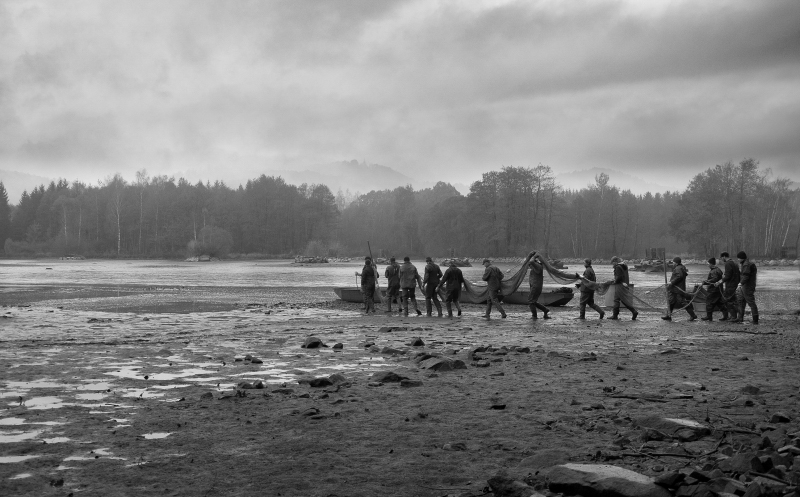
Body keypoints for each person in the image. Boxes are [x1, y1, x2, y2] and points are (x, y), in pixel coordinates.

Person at [662, 256, 697, 321]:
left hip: (677, 289)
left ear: (676, 262)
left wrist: (672, 282)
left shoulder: (678, 268)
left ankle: (693, 315)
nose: (673, 263)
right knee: (671, 301)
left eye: (673, 262)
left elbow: (679, 276)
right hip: (676, 288)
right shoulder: (682, 267)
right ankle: (668, 315)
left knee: (682, 302)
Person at [608, 256, 638, 320]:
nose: (612, 264)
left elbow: (619, 277)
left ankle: (633, 311)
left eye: (612, 263)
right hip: (625, 284)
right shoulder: (624, 265)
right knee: (618, 299)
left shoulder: (618, 267)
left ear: (615, 261)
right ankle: (615, 315)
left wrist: (615, 281)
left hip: (620, 285)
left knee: (621, 300)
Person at [714, 251, 740, 322]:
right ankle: (735, 316)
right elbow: (738, 274)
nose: (721, 260)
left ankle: (733, 316)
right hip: (735, 285)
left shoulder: (728, 264)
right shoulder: (735, 263)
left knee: (726, 300)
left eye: (721, 258)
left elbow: (727, 276)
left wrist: (719, 282)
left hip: (730, 285)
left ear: (724, 257)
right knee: (733, 300)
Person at [734, 251, 758, 324]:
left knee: (751, 302)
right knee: (741, 301)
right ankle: (740, 318)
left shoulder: (746, 265)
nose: (738, 259)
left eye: (738, 258)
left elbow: (745, 276)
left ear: (742, 258)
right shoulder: (746, 264)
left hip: (748, 286)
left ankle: (755, 320)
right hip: (745, 286)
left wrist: (740, 283)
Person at [527, 252, 550, 319]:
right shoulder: (536, 267)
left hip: (535, 287)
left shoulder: (538, 267)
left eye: (531, 265)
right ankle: (545, 310)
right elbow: (530, 262)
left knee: (531, 301)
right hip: (535, 286)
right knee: (533, 301)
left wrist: (534, 256)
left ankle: (534, 316)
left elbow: (531, 261)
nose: (530, 266)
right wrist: (530, 255)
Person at [701, 257, 724, 321]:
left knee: (709, 302)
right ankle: (726, 316)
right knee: (719, 303)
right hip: (719, 290)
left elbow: (714, 279)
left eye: (708, 263)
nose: (707, 265)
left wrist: (706, 282)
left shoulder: (714, 271)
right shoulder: (718, 269)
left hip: (713, 290)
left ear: (711, 264)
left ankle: (709, 317)